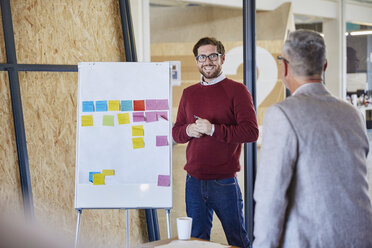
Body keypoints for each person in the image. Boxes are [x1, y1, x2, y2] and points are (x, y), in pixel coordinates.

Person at [253, 30, 372, 248]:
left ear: (285, 67)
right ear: (324, 66)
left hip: (313, 240)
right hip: (361, 237)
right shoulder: (353, 114)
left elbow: (270, 197)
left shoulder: (282, 114)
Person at [172, 37, 259, 248]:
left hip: (224, 182)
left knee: (237, 239)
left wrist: (213, 129)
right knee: (197, 241)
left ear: (222, 58)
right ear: (197, 61)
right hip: (193, 181)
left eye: (212, 56)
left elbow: (251, 132)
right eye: (201, 57)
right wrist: (188, 130)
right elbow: (176, 133)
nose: (207, 61)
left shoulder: (238, 91)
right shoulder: (188, 93)